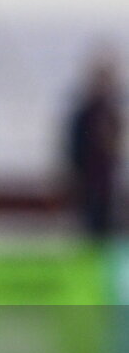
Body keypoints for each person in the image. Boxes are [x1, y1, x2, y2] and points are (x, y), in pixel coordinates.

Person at [65, 54, 123, 238]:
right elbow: (75, 148)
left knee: (109, 227)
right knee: (90, 225)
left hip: (109, 183)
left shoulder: (112, 112)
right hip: (88, 181)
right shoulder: (85, 114)